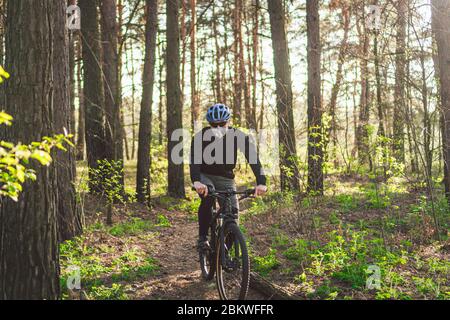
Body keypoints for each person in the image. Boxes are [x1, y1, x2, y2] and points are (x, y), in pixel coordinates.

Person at [190, 103, 267, 251]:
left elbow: (253, 159)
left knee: (232, 215)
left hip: (226, 179)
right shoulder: (200, 137)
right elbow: (194, 161)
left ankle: (224, 251)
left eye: (222, 124)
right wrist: (197, 181)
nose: (218, 128)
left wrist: (261, 182)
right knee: (208, 196)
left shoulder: (238, 136)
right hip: (205, 176)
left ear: (228, 122)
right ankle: (203, 238)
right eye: (214, 125)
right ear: (209, 124)